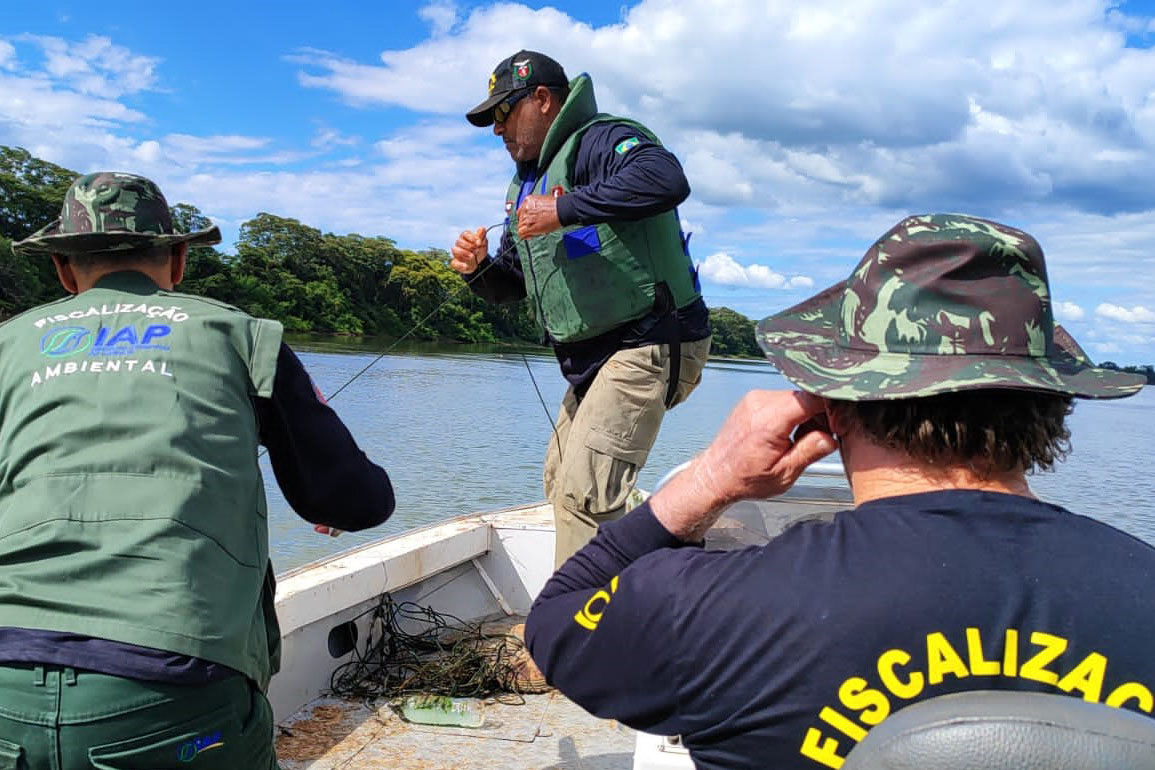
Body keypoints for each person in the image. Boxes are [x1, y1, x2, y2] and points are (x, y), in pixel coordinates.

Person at [524, 213, 1155, 770]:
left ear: (833, 402)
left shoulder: (725, 610)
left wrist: (713, 476)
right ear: (1052, 405)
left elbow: (558, 621)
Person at [0, 173, 395, 769]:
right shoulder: (237, 334)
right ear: (180, 258)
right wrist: (320, 495)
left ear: (62, 268)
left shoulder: (9, 345)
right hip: (170, 688)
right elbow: (355, 501)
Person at [451, 50, 713, 567]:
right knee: (560, 479)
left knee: (584, 494)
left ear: (542, 100)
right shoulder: (529, 183)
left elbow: (666, 178)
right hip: (595, 359)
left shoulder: (600, 139)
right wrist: (479, 268)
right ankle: (661, 551)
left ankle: (574, 636)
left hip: (653, 338)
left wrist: (565, 207)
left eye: (503, 114)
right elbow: (514, 286)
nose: (497, 131)